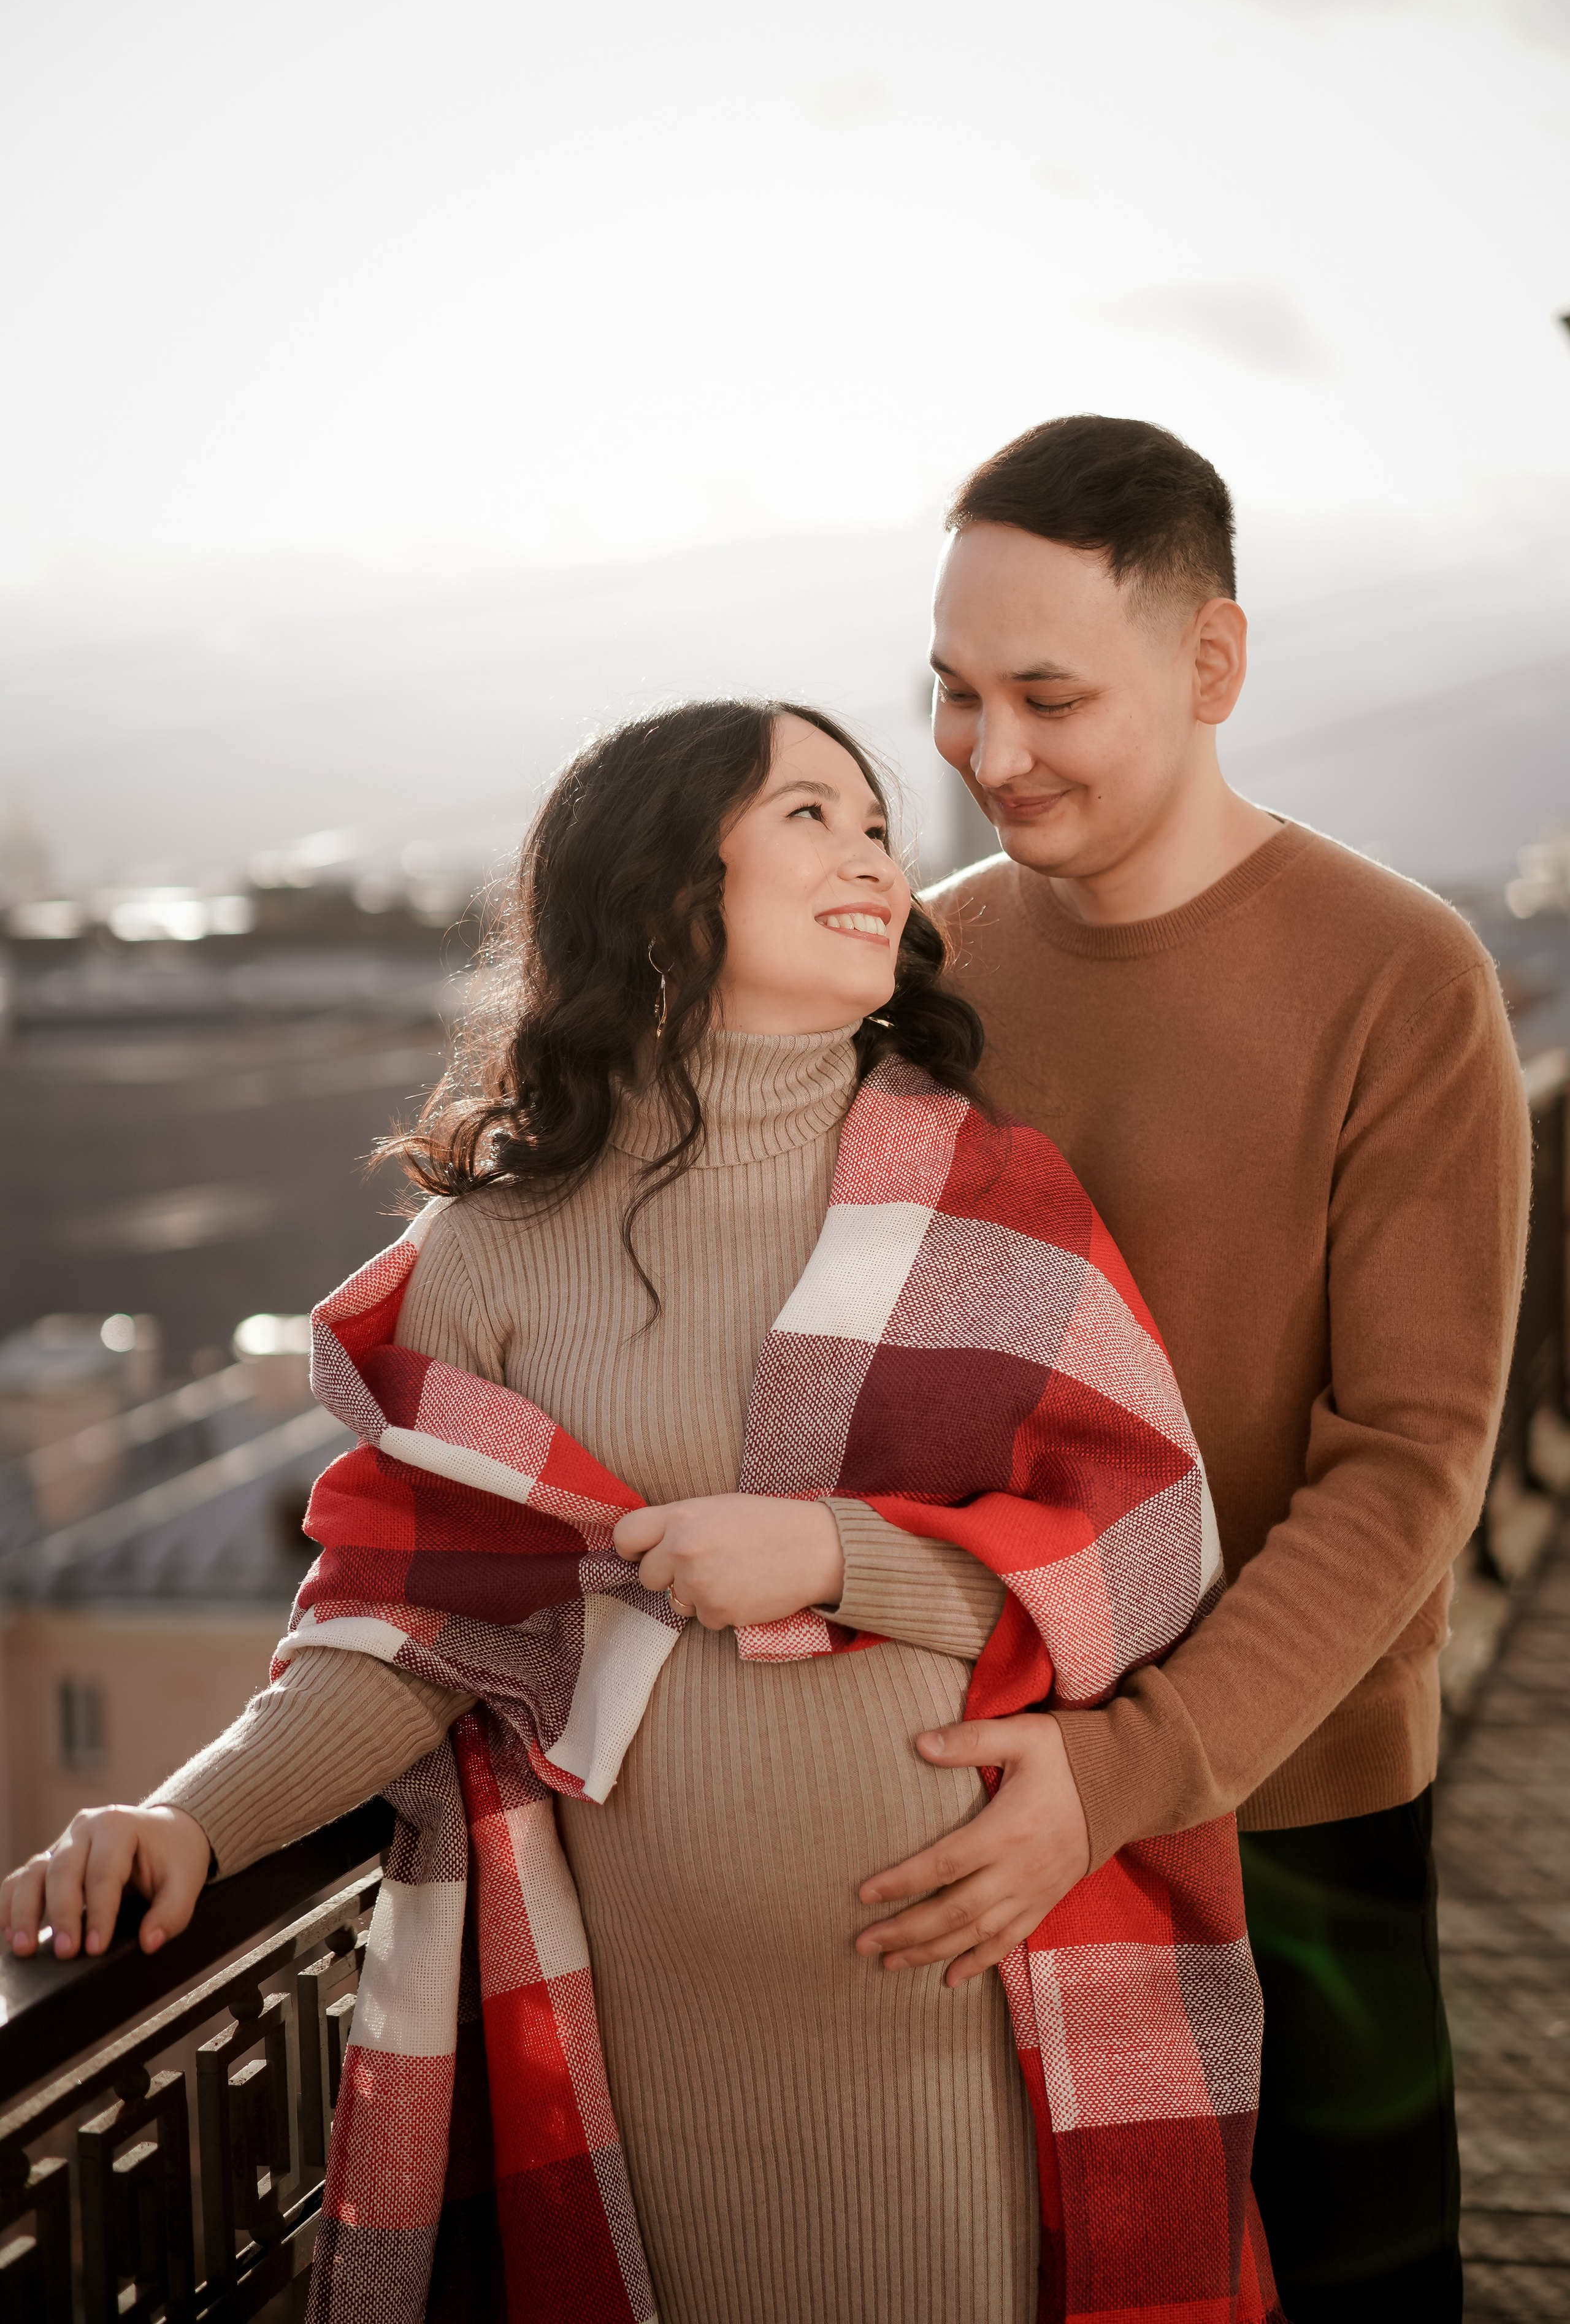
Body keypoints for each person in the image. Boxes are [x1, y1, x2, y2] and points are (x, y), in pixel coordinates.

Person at [2, 698, 1281, 2324]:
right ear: (669, 888)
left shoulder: (989, 1194)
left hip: (961, 1998)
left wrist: (836, 1554)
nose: (875, 857)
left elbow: (1149, 1545)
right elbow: (406, 1628)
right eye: (811, 815)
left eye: (878, 826)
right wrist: (190, 1820)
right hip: (650, 2038)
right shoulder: (495, 1253)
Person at [902, 412, 1532, 2322]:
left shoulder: (1403, 978)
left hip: (1295, 1829)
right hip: (972, 1801)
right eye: (954, 694)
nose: (992, 754)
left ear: (1212, 662)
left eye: (1048, 697)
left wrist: (1133, 1772)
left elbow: (1412, 1466)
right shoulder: (923, 972)